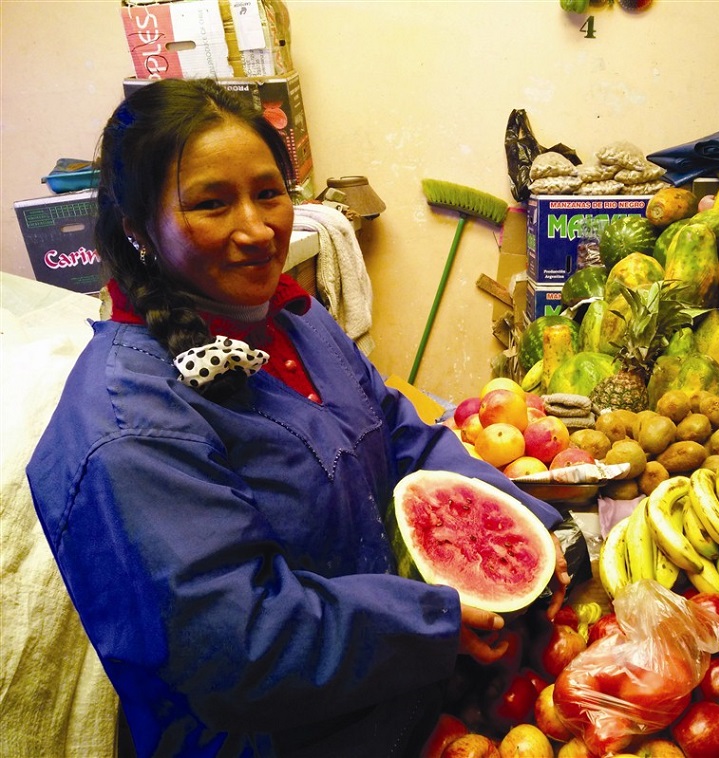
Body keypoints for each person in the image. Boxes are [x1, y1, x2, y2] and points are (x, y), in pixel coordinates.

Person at [26, 78, 570, 758]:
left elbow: (405, 438)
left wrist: (534, 533)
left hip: (407, 706)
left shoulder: (295, 319)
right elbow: (241, 646)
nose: (256, 230)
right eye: (212, 203)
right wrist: (430, 621)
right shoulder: (128, 425)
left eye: (270, 192)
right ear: (138, 231)